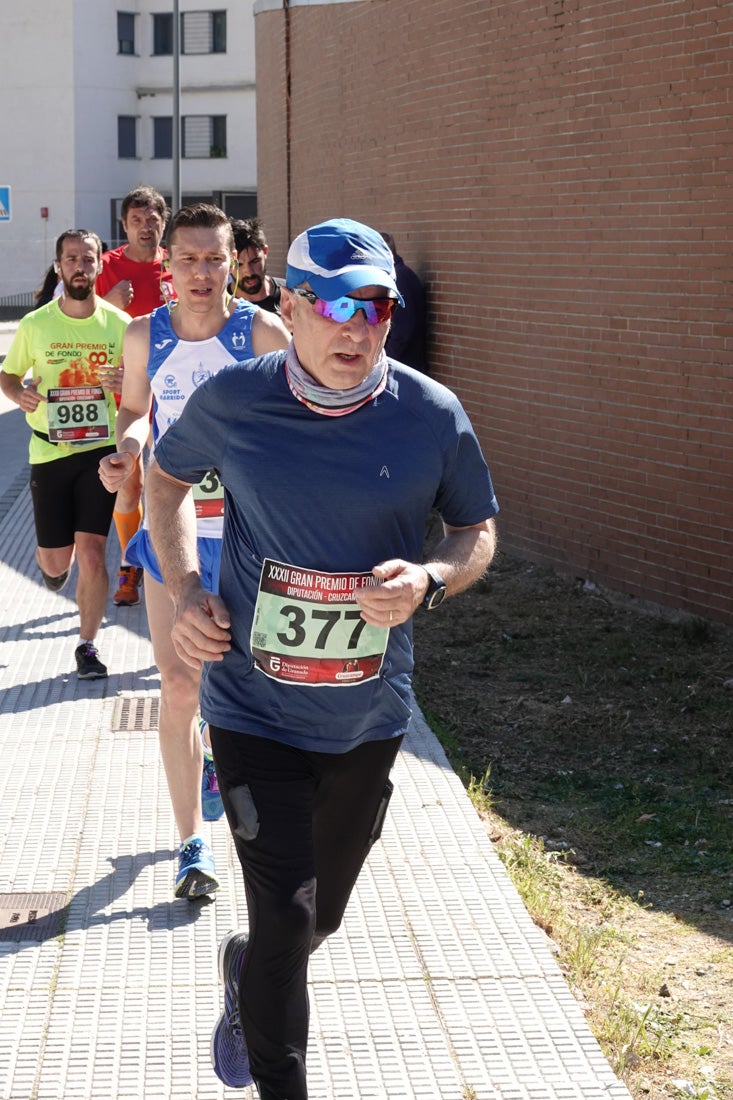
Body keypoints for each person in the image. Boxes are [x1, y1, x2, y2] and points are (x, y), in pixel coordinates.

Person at [143, 217, 499, 1097]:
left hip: (369, 714)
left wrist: (429, 577)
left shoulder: (428, 414)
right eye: (333, 305)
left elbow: (474, 531)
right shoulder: (235, 399)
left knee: (317, 920)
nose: (355, 327)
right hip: (250, 706)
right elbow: (163, 479)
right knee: (283, 922)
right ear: (289, 306)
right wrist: (189, 590)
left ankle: (245, 970)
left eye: (375, 306)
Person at [99, 203, 291, 901]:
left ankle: (227, 765)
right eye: (189, 260)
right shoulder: (144, 335)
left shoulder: (262, 332)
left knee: (247, 689)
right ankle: (191, 844)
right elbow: (134, 412)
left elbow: (293, 421)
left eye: (216, 258)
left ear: (232, 262)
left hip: (247, 543)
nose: (204, 273)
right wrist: (125, 453)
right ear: (166, 267)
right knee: (177, 686)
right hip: (171, 536)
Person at [0, 230, 130, 679]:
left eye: (88, 258)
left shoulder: (119, 324)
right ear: (59, 267)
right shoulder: (36, 324)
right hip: (50, 452)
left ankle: (87, 645)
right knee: (57, 560)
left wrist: (123, 385)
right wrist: (21, 395)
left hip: (99, 451)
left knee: (93, 552)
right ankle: (55, 573)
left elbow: (137, 388)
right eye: (71, 259)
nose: (80, 266)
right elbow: (9, 375)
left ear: (98, 266)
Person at [96, 186, 173, 607]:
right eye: (137, 220)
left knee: (171, 481)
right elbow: (72, 323)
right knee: (129, 482)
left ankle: (172, 558)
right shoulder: (105, 268)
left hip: (175, 393)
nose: (146, 227)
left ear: (164, 222)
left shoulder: (179, 267)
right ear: (124, 225)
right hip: (125, 396)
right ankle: (130, 564)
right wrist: (105, 302)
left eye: (153, 219)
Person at [380, 231, 428, 374]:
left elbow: (402, 330)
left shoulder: (399, 279)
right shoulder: (399, 276)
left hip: (403, 367)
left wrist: (384, 362)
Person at [228, 216, 284, 314]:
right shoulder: (219, 305)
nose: (249, 272)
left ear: (265, 251)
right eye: (239, 264)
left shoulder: (290, 296)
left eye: (254, 261)